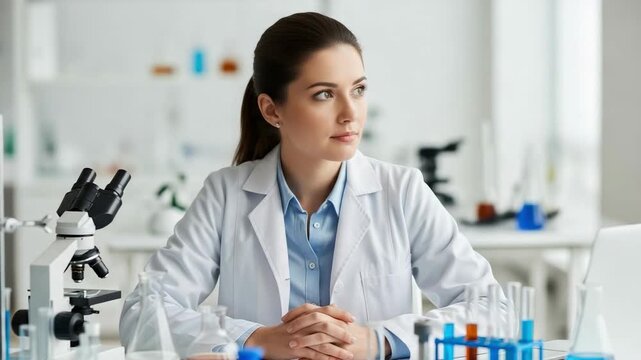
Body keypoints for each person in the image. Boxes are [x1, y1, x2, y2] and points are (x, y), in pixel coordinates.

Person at [120, 12, 503, 359]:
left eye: (358, 90)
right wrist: (254, 340)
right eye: (324, 94)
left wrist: (379, 340)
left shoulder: (401, 191)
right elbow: (141, 315)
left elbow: (494, 309)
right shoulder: (226, 194)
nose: (350, 113)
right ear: (272, 110)